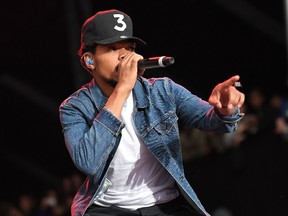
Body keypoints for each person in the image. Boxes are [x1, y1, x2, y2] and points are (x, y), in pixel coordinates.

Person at [59, 9, 245, 216]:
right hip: (109, 209)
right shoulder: (74, 107)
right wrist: (122, 89)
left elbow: (215, 121)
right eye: (112, 48)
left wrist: (225, 109)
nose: (124, 55)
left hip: (165, 205)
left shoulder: (163, 90)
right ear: (89, 60)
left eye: (129, 48)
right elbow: (88, 162)